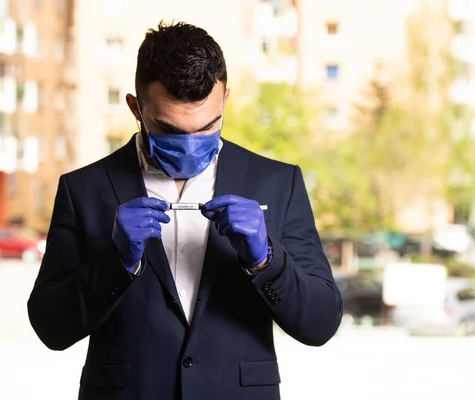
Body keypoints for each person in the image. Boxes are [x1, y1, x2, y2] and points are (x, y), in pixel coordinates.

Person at [28, 21, 342, 400]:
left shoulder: (277, 182)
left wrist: (266, 261)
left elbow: (321, 323)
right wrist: (116, 263)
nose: (191, 143)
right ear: (136, 107)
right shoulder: (84, 190)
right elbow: (51, 328)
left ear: (225, 99)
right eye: (171, 130)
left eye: (208, 127)